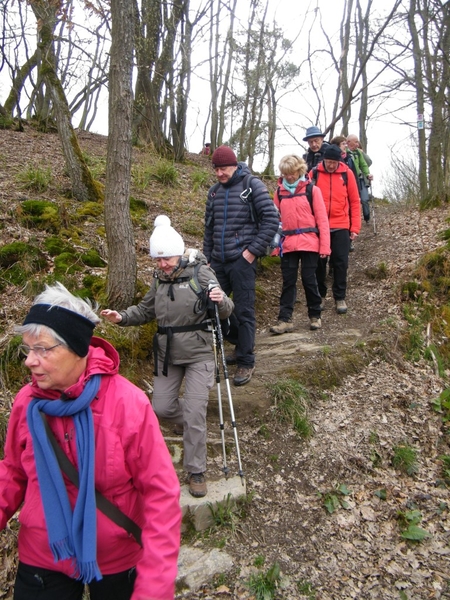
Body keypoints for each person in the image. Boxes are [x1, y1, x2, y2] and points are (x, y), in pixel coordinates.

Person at [0, 282, 181, 600]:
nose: (30, 360)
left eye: (43, 349)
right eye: (28, 349)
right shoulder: (28, 403)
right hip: (44, 555)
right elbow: (12, 473)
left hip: (116, 559)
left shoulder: (127, 404)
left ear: (77, 349)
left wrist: (154, 587)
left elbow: (161, 495)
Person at [102, 215, 233, 499]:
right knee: (161, 408)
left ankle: (196, 470)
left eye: (167, 258)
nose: (162, 264)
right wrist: (122, 317)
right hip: (167, 354)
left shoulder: (201, 273)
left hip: (199, 352)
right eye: (157, 259)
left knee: (196, 412)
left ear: (179, 252)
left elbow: (227, 309)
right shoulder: (158, 280)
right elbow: (146, 310)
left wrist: (221, 300)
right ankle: (195, 420)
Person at [203, 145, 278, 387]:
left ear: (234, 165)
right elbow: (208, 228)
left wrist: (252, 251)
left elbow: (271, 219)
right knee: (214, 308)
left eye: (223, 168)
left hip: (242, 261)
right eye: (216, 169)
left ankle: (246, 360)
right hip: (218, 262)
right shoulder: (214, 192)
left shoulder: (251, 185)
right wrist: (207, 259)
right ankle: (238, 342)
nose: (219, 174)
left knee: (244, 310)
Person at [270, 155, 330, 333]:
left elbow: (322, 220)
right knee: (288, 281)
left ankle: (315, 315)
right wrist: (274, 245)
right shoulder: (279, 193)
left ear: (300, 170)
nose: (289, 177)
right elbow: (275, 222)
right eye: (285, 173)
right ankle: (285, 319)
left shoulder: (312, 190)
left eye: (292, 173)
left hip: (310, 242)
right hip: (287, 244)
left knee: (309, 279)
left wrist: (325, 246)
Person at [309, 144, 361, 314]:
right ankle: (321, 296)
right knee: (319, 263)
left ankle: (340, 297)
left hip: (341, 224)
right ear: (324, 159)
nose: (331, 165)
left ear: (339, 161)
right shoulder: (314, 173)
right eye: (328, 162)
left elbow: (354, 201)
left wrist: (355, 227)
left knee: (340, 262)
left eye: (334, 162)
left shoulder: (347, 174)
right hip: (319, 225)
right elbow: (305, 198)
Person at [346, 134, 373, 224]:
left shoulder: (358, 152)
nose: (358, 144)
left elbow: (364, 164)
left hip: (360, 179)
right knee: (353, 201)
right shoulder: (344, 152)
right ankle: (352, 221)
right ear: (349, 142)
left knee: (365, 199)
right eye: (356, 142)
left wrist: (367, 173)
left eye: (357, 142)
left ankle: (367, 218)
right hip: (349, 180)